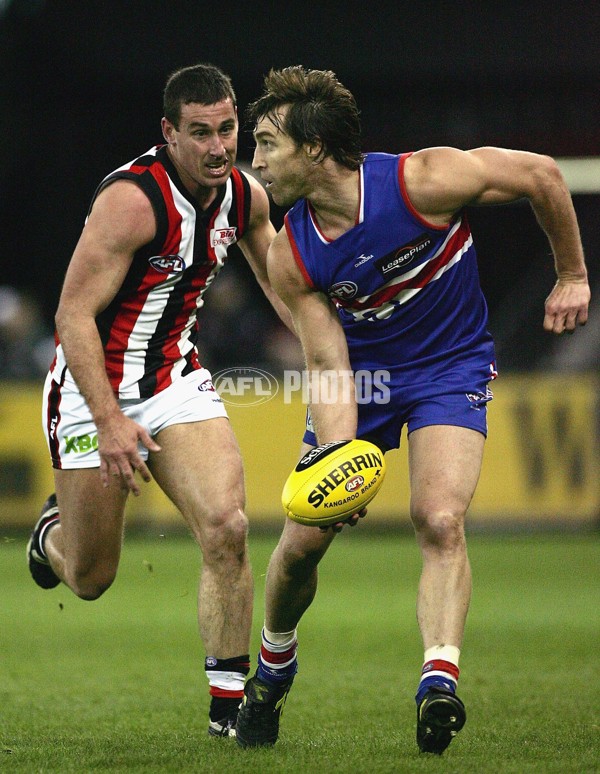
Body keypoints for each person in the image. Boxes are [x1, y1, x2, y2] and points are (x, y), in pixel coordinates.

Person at [235, 66, 591, 753]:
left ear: (313, 148)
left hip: (448, 368)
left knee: (440, 518)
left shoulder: (420, 182)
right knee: (302, 542)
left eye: (267, 143)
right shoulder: (292, 254)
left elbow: (544, 175)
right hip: (362, 380)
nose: (256, 161)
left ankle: (438, 682)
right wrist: (343, 461)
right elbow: (329, 364)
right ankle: (274, 665)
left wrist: (571, 275)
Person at [27, 63, 292, 738]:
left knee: (227, 528)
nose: (216, 146)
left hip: (174, 377)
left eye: (227, 128)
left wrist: (345, 354)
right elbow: (71, 315)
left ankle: (227, 710)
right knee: (90, 577)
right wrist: (111, 420)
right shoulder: (132, 201)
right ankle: (49, 538)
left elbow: (288, 292)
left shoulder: (244, 196)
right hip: (93, 393)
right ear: (169, 133)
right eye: (199, 132)